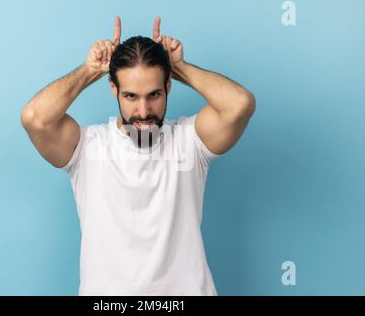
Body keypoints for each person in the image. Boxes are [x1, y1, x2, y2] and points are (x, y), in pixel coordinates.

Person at [21, 16, 255, 295]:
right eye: (131, 96)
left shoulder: (188, 141)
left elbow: (239, 104)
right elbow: (35, 118)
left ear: (169, 86)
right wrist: (89, 70)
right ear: (114, 89)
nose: (144, 112)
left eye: (154, 94)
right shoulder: (88, 147)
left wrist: (180, 67)